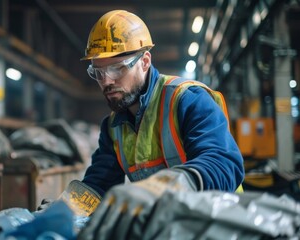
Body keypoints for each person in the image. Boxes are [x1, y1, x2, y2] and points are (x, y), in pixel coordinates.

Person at [41, 9, 245, 239]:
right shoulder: (113, 127)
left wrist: (166, 188)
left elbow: (225, 164)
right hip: (168, 228)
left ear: (145, 61)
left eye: (117, 68)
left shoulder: (187, 99)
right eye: (98, 72)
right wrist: (65, 210)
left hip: (221, 226)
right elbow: (98, 184)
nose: (107, 81)